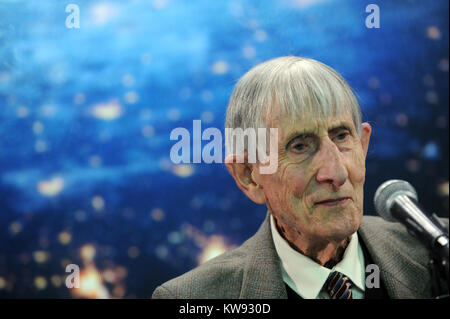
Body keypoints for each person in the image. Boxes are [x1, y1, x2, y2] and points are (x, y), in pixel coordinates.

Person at [152, 56, 440, 299]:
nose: (336, 173)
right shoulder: (193, 298)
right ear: (249, 175)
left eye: (341, 137)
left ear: (363, 146)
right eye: (300, 146)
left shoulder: (436, 256)